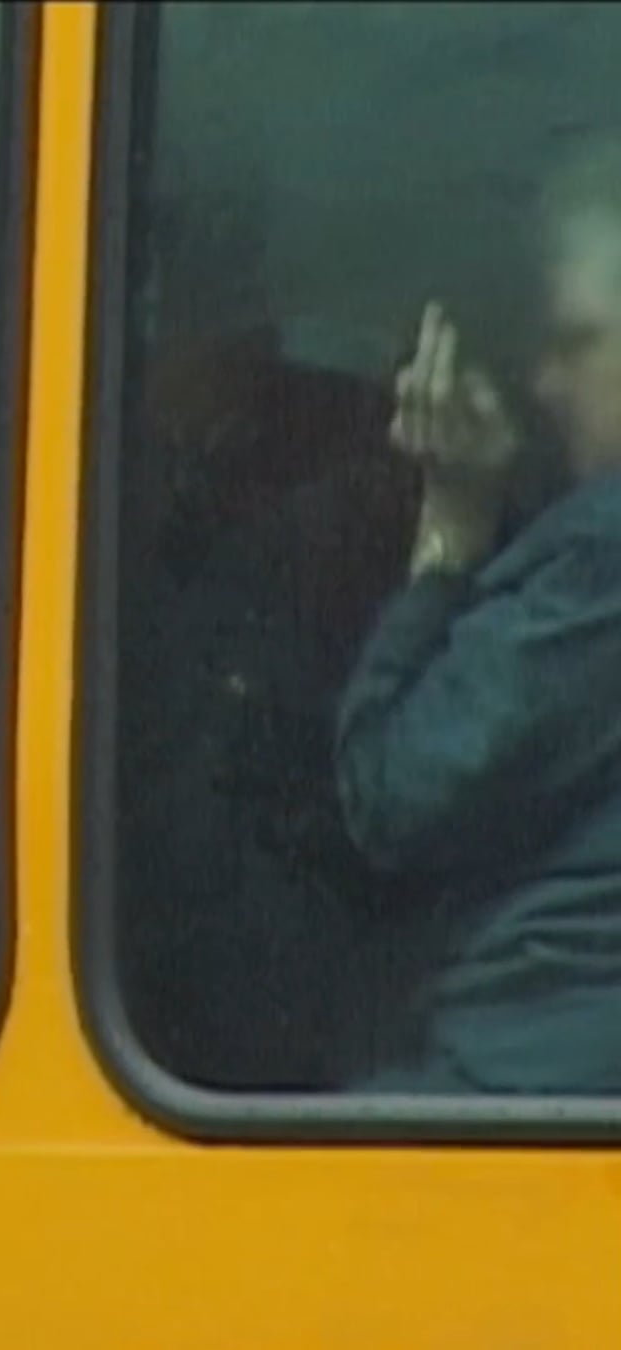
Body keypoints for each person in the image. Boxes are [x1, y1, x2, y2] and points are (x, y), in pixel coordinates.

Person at [336, 132, 621, 1093]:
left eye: (577, 341)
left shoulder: (604, 559)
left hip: (536, 1069)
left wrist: (451, 528)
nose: (544, 382)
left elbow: (395, 793)